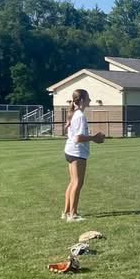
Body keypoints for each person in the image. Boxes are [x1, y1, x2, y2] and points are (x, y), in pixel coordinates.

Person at [61, 89, 105, 222]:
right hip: (77, 153)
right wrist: (94, 138)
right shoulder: (80, 116)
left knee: (73, 182)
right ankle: (72, 215)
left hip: (71, 151)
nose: (90, 100)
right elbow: (78, 138)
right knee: (77, 183)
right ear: (81, 100)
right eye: (88, 98)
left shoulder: (74, 113)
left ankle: (66, 212)